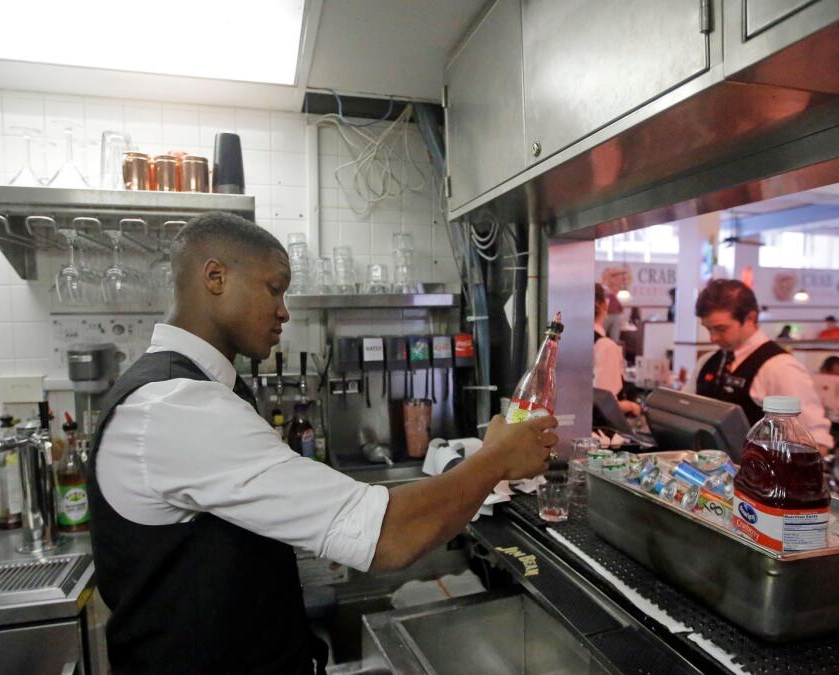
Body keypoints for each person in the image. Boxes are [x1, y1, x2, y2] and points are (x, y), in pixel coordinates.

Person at [87, 212, 559, 674]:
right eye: (274, 288)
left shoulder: (196, 390)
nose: (284, 311)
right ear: (215, 277)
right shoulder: (175, 405)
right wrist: (496, 457)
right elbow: (387, 536)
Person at [687, 279, 834, 449]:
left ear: (750, 318)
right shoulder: (708, 361)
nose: (713, 338)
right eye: (708, 329)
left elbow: (816, 441)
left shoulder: (779, 367)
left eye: (721, 329)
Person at [594, 284, 641, 417]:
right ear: (604, 305)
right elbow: (603, 402)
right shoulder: (605, 346)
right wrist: (631, 406)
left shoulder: (572, 341)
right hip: (596, 431)